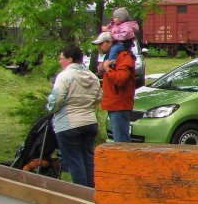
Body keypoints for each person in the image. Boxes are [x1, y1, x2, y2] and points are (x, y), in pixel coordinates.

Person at [47, 43, 102, 187]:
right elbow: (98, 97)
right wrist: (87, 108)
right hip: (90, 122)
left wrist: (50, 108)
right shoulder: (91, 76)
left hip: (69, 124)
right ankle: (92, 191)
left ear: (70, 59)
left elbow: (57, 99)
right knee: (88, 158)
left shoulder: (64, 76)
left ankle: (81, 195)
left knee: (74, 160)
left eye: (61, 58)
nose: (60, 61)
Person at [93, 31, 136, 142]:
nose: (99, 47)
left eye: (101, 44)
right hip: (114, 104)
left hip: (119, 105)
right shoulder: (112, 58)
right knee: (118, 140)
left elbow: (120, 79)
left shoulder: (124, 57)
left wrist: (107, 69)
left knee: (121, 142)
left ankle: (124, 159)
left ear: (109, 43)